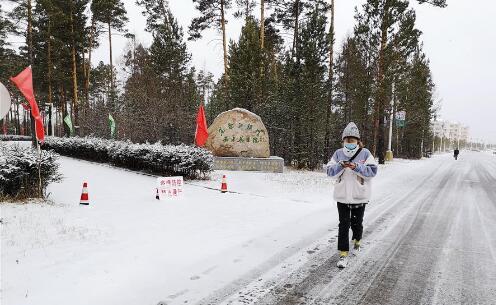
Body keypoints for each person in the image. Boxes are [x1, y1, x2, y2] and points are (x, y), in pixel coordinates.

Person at [326, 122, 378, 268]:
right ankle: (343, 254)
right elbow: (329, 172)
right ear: (343, 141)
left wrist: (356, 167)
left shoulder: (365, 153)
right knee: (343, 224)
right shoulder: (338, 154)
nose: (349, 143)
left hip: (359, 195)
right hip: (342, 196)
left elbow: (373, 171)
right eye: (347, 141)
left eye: (352, 141)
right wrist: (340, 166)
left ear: (358, 141)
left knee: (357, 223)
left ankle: (357, 240)